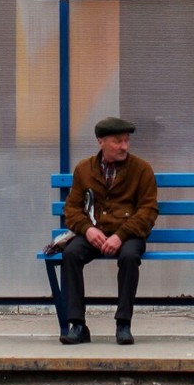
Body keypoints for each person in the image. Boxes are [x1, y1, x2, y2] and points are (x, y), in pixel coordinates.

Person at [59, 115, 159, 346]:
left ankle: (123, 324)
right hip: (95, 233)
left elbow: (148, 211)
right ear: (100, 142)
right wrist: (87, 230)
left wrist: (120, 235)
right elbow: (72, 209)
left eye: (126, 141)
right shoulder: (84, 169)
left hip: (129, 234)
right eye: (118, 141)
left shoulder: (142, 169)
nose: (124, 146)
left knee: (129, 256)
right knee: (71, 254)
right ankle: (78, 325)